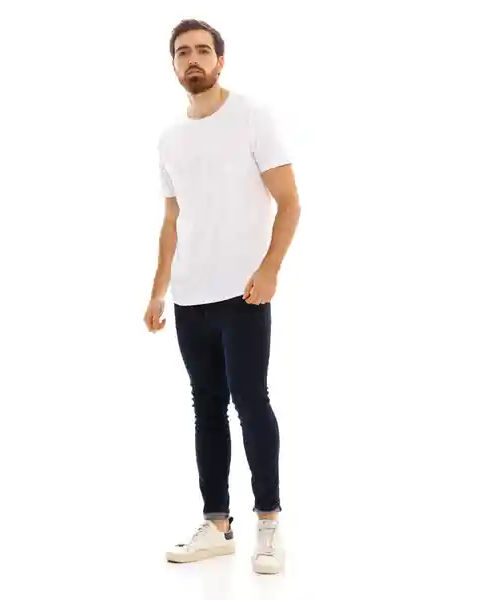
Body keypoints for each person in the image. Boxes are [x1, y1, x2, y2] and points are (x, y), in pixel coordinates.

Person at [143, 19, 301, 575]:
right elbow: (171, 220)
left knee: (250, 401)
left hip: (244, 292)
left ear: (220, 60)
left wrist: (270, 270)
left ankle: (269, 523)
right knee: (206, 406)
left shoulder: (252, 117)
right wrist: (158, 291)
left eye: (203, 50)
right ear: (173, 64)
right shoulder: (169, 138)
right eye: (183, 52)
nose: (193, 59)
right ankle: (217, 524)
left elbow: (289, 201)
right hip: (191, 297)